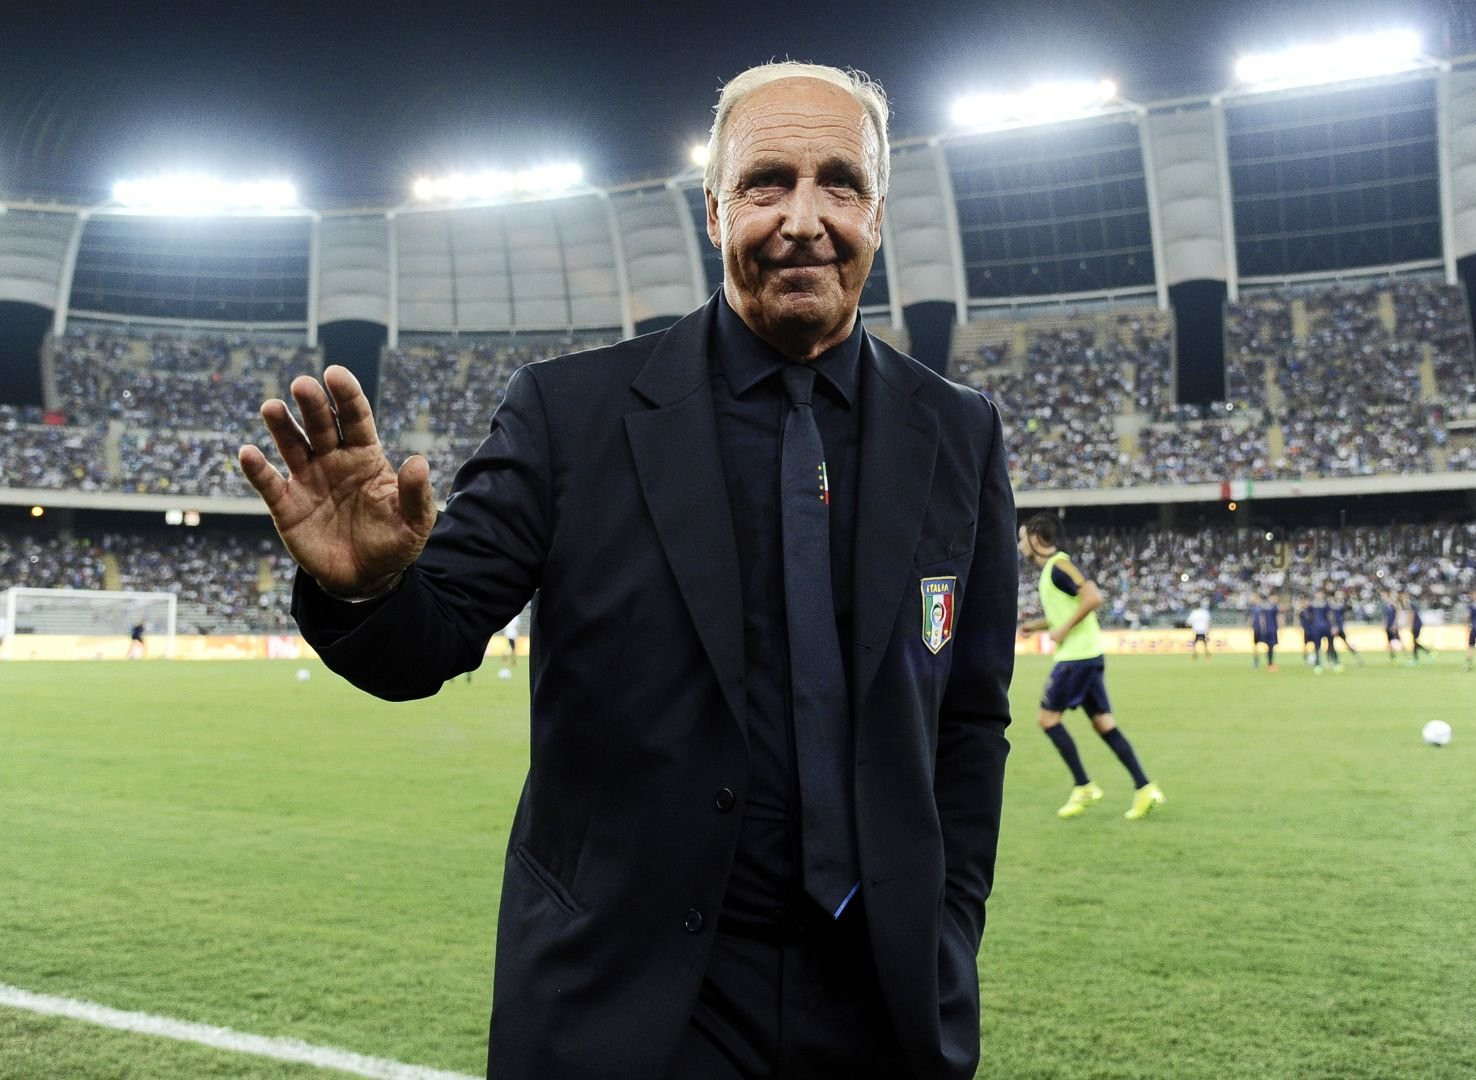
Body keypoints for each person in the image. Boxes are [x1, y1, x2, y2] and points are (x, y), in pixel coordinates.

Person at [239, 62, 1017, 1080]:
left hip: (881, 1004)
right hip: (633, 1002)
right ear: (714, 211)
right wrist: (366, 584)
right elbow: (425, 641)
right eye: (766, 183)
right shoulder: (569, 414)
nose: (803, 219)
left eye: (839, 182)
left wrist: (948, 927)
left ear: (876, 210)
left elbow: (970, 719)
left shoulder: (959, 431)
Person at [1016, 513, 1164, 822]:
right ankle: (1145, 787)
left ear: (1035, 538)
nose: (1020, 546)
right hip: (1087, 656)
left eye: (1021, 539)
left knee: (1047, 719)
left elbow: (1093, 597)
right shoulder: (1052, 571)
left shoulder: (1059, 565)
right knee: (1103, 724)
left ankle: (1084, 785)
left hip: (1076, 658)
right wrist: (1036, 626)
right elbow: (1067, 610)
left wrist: (1062, 630)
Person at [1327, 588, 1362, 666]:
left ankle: (1333, 661)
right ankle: (1333, 661)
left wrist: (1335, 627)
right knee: (1332, 645)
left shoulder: (1335, 606)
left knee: (1332, 645)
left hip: (1336, 628)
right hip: (1335, 627)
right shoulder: (1335, 606)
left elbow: (1344, 612)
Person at [1381, 589, 1406, 663]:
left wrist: (1395, 625)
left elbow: (1397, 615)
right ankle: (1393, 658)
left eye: (1383, 595)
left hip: (1393, 627)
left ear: (1387, 595)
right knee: (1389, 643)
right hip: (1388, 627)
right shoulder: (1385, 606)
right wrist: (1384, 624)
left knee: (1399, 642)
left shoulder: (1393, 605)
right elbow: (1385, 617)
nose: (1382, 597)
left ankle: (1407, 656)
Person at [1405, 595, 1432, 665]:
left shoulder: (1411, 604)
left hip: (1416, 625)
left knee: (1414, 642)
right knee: (1415, 642)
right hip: (1418, 624)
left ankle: (1416, 659)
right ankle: (1427, 652)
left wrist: (1410, 625)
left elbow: (1412, 615)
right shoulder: (1413, 604)